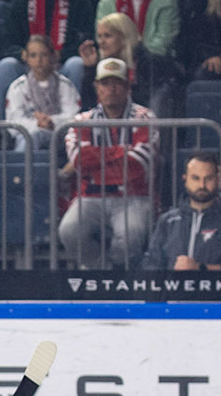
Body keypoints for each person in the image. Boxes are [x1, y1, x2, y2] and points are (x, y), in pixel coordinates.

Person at [59, 58, 156, 267]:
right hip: (91, 196)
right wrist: (121, 154)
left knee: (131, 235)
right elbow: (78, 160)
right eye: (105, 83)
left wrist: (96, 159)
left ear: (127, 86)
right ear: (97, 87)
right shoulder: (81, 120)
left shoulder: (145, 116)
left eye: (116, 83)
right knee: (68, 231)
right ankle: (101, 271)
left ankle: (118, 277)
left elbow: (139, 164)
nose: (110, 89)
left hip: (133, 195)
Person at [145, 149, 221, 272]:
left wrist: (201, 268)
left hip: (219, 290)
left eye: (208, 178)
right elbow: (151, 265)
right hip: (173, 290)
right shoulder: (167, 221)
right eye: (195, 178)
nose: (202, 185)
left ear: (217, 179)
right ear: (185, 179)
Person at [5, 33, 81, 148]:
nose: (39, 60)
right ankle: (23, 166)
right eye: (33, 55)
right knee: (31, 137)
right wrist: (38, 124)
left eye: (44, 55)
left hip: (58, 136)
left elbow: (73, 115)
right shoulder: (18, 87)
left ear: (52, 56)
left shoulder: (65, 85)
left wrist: (51, 122)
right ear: (26, 58)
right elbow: (14, 120)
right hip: (28, 136)